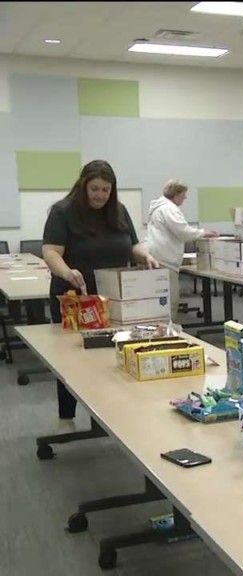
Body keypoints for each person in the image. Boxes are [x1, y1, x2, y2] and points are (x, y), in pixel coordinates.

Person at [42, 160, 160, 420]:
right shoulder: (63, 212)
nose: (100, 195)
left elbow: (133, 245)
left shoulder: (118, 211)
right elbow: (51, 251)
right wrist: (66, 272)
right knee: (72, 358)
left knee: (113, 353)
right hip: (77, 297)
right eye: (94, 189)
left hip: (114, 296)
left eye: (106, 190)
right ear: (83, 186)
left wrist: (144, 255)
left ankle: (110, 412)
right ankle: (67, 416)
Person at [143, 179, 218, 315]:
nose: (185, 197)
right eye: (183, 194)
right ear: (176, 194)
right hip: (165, 260)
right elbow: (183, 231)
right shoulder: (169, 209)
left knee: (157, 300)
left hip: (157, 256)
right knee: (169, 302)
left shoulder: (158, 208)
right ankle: (170, 327)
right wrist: (203, 233)